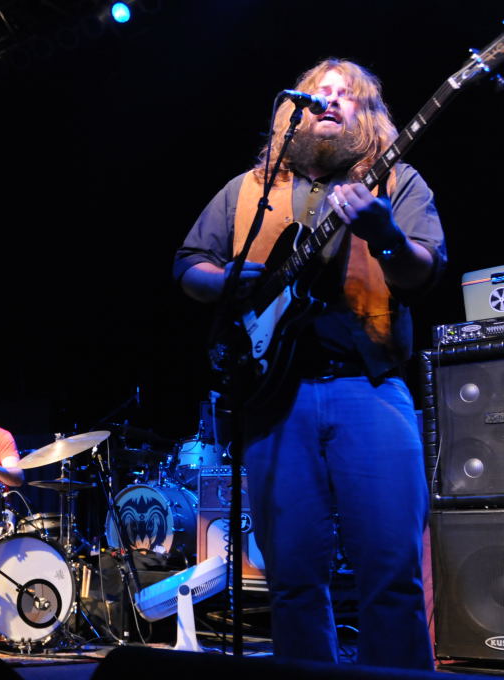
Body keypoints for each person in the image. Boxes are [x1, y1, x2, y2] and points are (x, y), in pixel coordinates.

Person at [174, 59, 444, 669]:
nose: (330, 101)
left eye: (346, 95)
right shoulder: (248, 189)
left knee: (391, 571)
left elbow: (424, 271)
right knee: (292, 579)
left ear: (367, 116)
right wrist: (225, 282)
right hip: (274, 399)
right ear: (291, 112)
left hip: (368, 385)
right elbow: (188, 264)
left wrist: (386, 235)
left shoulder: (396, 180)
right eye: (319, 93)